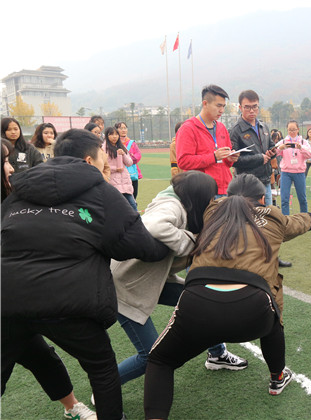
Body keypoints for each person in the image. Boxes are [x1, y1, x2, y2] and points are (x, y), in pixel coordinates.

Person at [2, 128, 169, 420]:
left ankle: (72, 407)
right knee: (102, 368)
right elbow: (140, 246)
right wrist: (174, 245)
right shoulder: (102, 193)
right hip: (68, 301)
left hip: (8, 300)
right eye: (104, 159)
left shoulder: (19, 193)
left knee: (37, 354)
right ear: (90, 161)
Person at [143, 174, 311, 418]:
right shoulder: (273, 216)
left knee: (160, 361)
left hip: (197, 303)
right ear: (262, 199)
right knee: (274, 319)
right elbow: (297, 223)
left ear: (226, 196)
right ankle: (277, 377)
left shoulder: (211, 211)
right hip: (252, 311)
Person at [111, 171, 247, 388]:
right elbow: (154, 226)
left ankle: (217, 354)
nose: (212, 202)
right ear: (199, 195)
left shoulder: (183, 204)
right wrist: (191, 242)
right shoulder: (171, 206)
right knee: (150, 355)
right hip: (125, 288)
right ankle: (105, 388)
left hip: (153, 280)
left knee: (203, 302)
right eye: (211, 197)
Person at [177, 84, 238, 196]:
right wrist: (213, 157)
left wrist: (230, 158)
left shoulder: (221, 127)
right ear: (205, 104)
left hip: (225, 190)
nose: (222, 110)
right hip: (203, 192)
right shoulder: (188, 128)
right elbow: (183, 161)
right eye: (218, 106)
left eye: (223, 106)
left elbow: (226, 163)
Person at [229, 89, 276, 204]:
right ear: (240, 108)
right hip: (247, 186)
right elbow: (233, 160)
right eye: (247, 107)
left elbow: (271, 145)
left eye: (254, 106)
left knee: (268, 214)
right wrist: (259, 158)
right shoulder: (235, 130)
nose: (252, 110)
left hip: (265, 181)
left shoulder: (263, 126)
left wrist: (272, 152)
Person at [276, 120, 311, 215]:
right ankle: (286, 220)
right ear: (287, 130)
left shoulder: (303, 142)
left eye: (294, 129)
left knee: (302, 198)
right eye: (290, 130)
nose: (292, 132)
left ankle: (304, 218)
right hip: (286, 173)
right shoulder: (283, 142)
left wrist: (301, 148)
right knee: (284, 199)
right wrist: (280, 148)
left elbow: (310, 155)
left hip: (299, 173)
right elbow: (273, 153)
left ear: (298, 129)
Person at [103, 127, 137, 211]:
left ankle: (137, 219)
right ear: (107, 136)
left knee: (132, 205)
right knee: (117, 206)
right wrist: (116, 169)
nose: (114, 136)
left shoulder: (122, 147)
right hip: (113, 182)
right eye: (111, 134)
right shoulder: (104, 149)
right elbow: (103, 166)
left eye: (116, 134)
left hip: (125, 182)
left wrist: (123, 154)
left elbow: (129, 163)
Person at [115, 122, 143, 199]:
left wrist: (128, 160)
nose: (123, 130)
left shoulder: (132, 143)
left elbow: (138, 155)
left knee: (134, 195)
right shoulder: (113, 143)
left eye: (125, 128)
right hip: (119, 173)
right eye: (121, 128)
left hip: (131, 173)